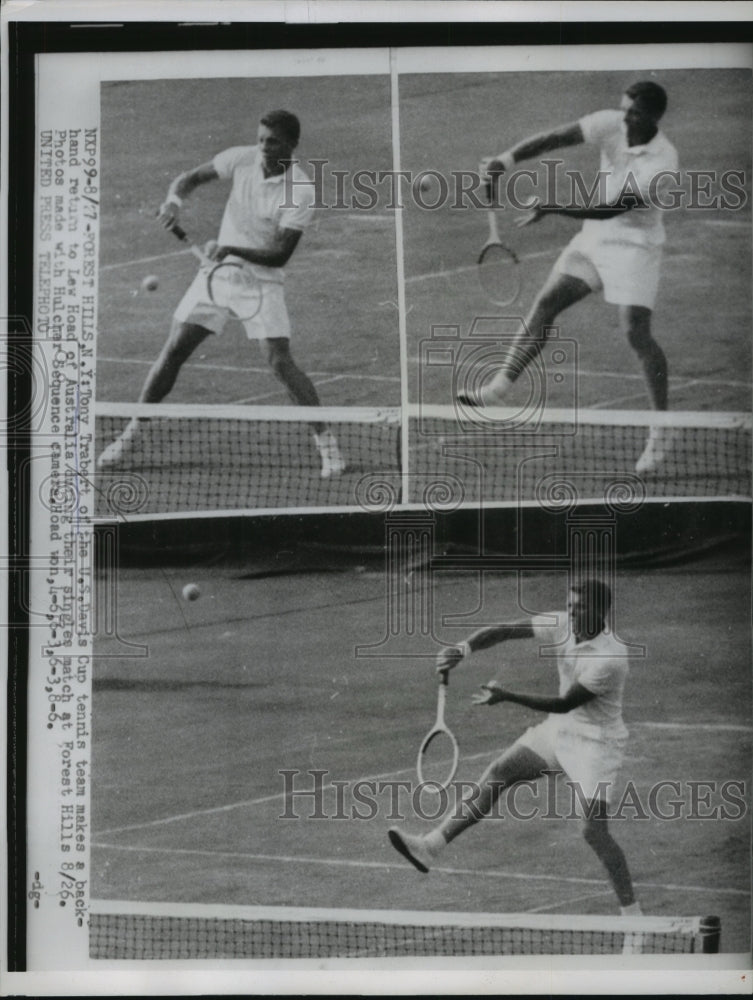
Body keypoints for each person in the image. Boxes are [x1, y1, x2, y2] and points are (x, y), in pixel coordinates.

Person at [97, 108, 345, 478]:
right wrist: (173, 203)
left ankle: (329, 448)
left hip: (260, 281)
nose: (262, 147)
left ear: (292, 145)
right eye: (260, 139)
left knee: (279, 362)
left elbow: (280, 255)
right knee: (175, 348)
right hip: (217, 276)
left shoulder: (301, 190)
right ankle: (130, 435)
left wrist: (232, 250)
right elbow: (189, 178)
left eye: (272, 141)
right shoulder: (241, 158)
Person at [458, 81, 679, 474]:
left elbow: (612, 208)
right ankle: (499, 388)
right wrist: (504, 161)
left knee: (635, 332)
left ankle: (661, 429)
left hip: (636, 244)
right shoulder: (611, 122)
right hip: (596, 241)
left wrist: (552, 207)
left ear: (653, 117)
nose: (625, 118)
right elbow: (555, 138)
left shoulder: (662, 161)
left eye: (634, 113)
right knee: (546, 303)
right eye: (624, 109)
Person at [388, 578, 642, 917]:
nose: (569, 612)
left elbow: (564, 702)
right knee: (500, 771)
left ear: (598, 611)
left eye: (577, 607)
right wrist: (462, 649)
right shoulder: (562, 623)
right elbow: (504, 630)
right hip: (560, 731)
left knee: (593, 832)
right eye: (568, 605)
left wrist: (507, 696)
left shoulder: (611, 658)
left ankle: (634, 920)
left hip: (596, 744)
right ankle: (430, 847)